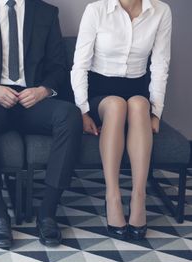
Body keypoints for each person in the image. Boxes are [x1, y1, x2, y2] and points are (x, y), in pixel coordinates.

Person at [0, 0, 82, 248]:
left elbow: (59, 66)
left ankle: (47, 212)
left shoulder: (46, 12)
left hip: (33, 100)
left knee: (69, 115)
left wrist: (44, 90)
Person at [71, 0, 171, 240]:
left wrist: (156, 112)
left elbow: (160, 65)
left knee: (139, 105)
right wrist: (83, 110)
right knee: (116, 105)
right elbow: (80, 65)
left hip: (137, 88)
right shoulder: (96, 10)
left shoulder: (161, 11)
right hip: (101, 91)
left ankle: (139, 197)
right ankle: (113, 196)